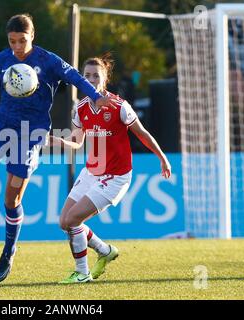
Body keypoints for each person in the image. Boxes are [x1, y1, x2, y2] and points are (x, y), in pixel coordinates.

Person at [0, 13, 116, 283]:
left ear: (32, 36)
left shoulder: (48, 61)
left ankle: (8, 250)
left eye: (22, 40)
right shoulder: (2, 61)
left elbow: (75, 77)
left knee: (10, 201)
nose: (16, 46)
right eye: (12, 41)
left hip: (30, 135)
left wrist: (96, 96)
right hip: (0, 127)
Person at [49, 55, 172, 284]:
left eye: (96, 75)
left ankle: (82, 272)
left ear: (105, 79)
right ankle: (105, 251)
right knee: (64, 222)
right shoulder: (81, 107)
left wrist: (162, 158)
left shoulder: (118, 106)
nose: (91, 79)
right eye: (86, 75)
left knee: (74, 220)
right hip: (91, 172)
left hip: (116, 176)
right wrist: (57, 141)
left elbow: (142, 134)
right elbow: (77, 142)